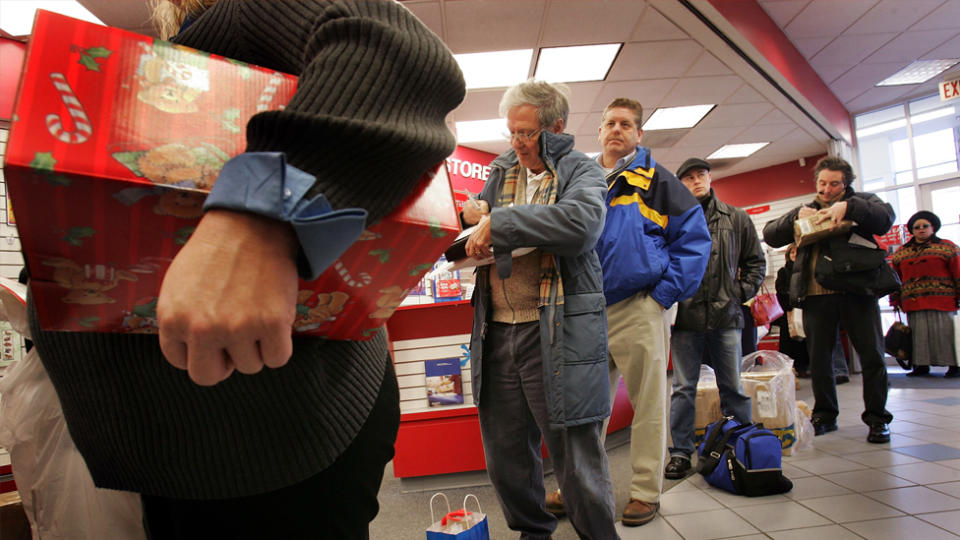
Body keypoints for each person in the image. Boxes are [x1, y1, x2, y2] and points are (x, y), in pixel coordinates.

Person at [27, 1, 465, 537]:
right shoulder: (176, 56)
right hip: (204, 442)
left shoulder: (237, 14)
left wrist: (258, 219)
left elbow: (396, 48)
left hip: (268, 440)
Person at [541, 98, 710, 526]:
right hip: (584, 311)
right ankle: (579, 486)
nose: (617, 130)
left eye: (626, 124)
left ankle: (644, 492)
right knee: (585, 409)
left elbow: (694, 243)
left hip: (639, 306)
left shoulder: (659, 182)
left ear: (638, 135)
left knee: (648, 404)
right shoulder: (577, 179)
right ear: (599, 131)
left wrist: (660, 297)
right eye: (610, 123)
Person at [461, 79, 618, 539]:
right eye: (512, 132)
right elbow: (486, 221)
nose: (517, 143)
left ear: (556, 127)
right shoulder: (502, 169)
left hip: (557, 331)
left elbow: (582, 224)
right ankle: (533, 532)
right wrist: (475, 218)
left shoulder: (582, 171)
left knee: (576, 457)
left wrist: (500, 222)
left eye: (527, 133)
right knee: (506, 457)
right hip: (496, 330)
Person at [763, 156, 895, 444]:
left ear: (845, 184)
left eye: (834, 184)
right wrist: (796, 215)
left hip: (857, 293)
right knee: (820, 360)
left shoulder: (862, 202)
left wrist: (849, 206)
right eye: (822, 183)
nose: (826, 190)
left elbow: (886, 218)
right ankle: (824, 415)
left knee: (872, 356)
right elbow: (770, 234)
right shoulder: (806, 208)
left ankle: (877, 418)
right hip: (814, 296)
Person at [665, 158, 765, 480]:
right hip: (685, 317)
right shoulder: (672, 220)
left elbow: (756, 262)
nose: (696, 182)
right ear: (681, 184)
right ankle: (680, 453)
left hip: (727, 316)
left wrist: (738, 291)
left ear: (709, 177)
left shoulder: (736, 218)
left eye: (700, 175)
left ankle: (742, 443)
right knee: (683, 388)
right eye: (688, 178)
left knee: (732, 385)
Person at [891, 210, 960, 378]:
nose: (921, 229)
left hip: (943, 299)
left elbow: (958, 272)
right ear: (912, 230)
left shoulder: (948, 247)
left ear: (933, 227)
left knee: (946, 333)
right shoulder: (901, 252)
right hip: (913, 301)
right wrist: (894, 300)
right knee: (918, 336)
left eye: (925, 226)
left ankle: (954, 366)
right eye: (916, 227)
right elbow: (894, 279)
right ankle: (921, 366)